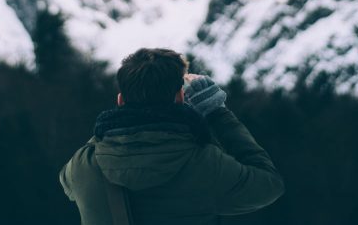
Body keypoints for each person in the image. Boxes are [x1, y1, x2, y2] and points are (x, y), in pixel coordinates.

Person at [59, 48, 284, 225]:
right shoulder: (204, 164)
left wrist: (109, 129)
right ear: (180, 98)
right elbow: (269, 185)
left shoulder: (84, 165)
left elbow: (66, 183)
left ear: (120, 100)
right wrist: (216, 112)